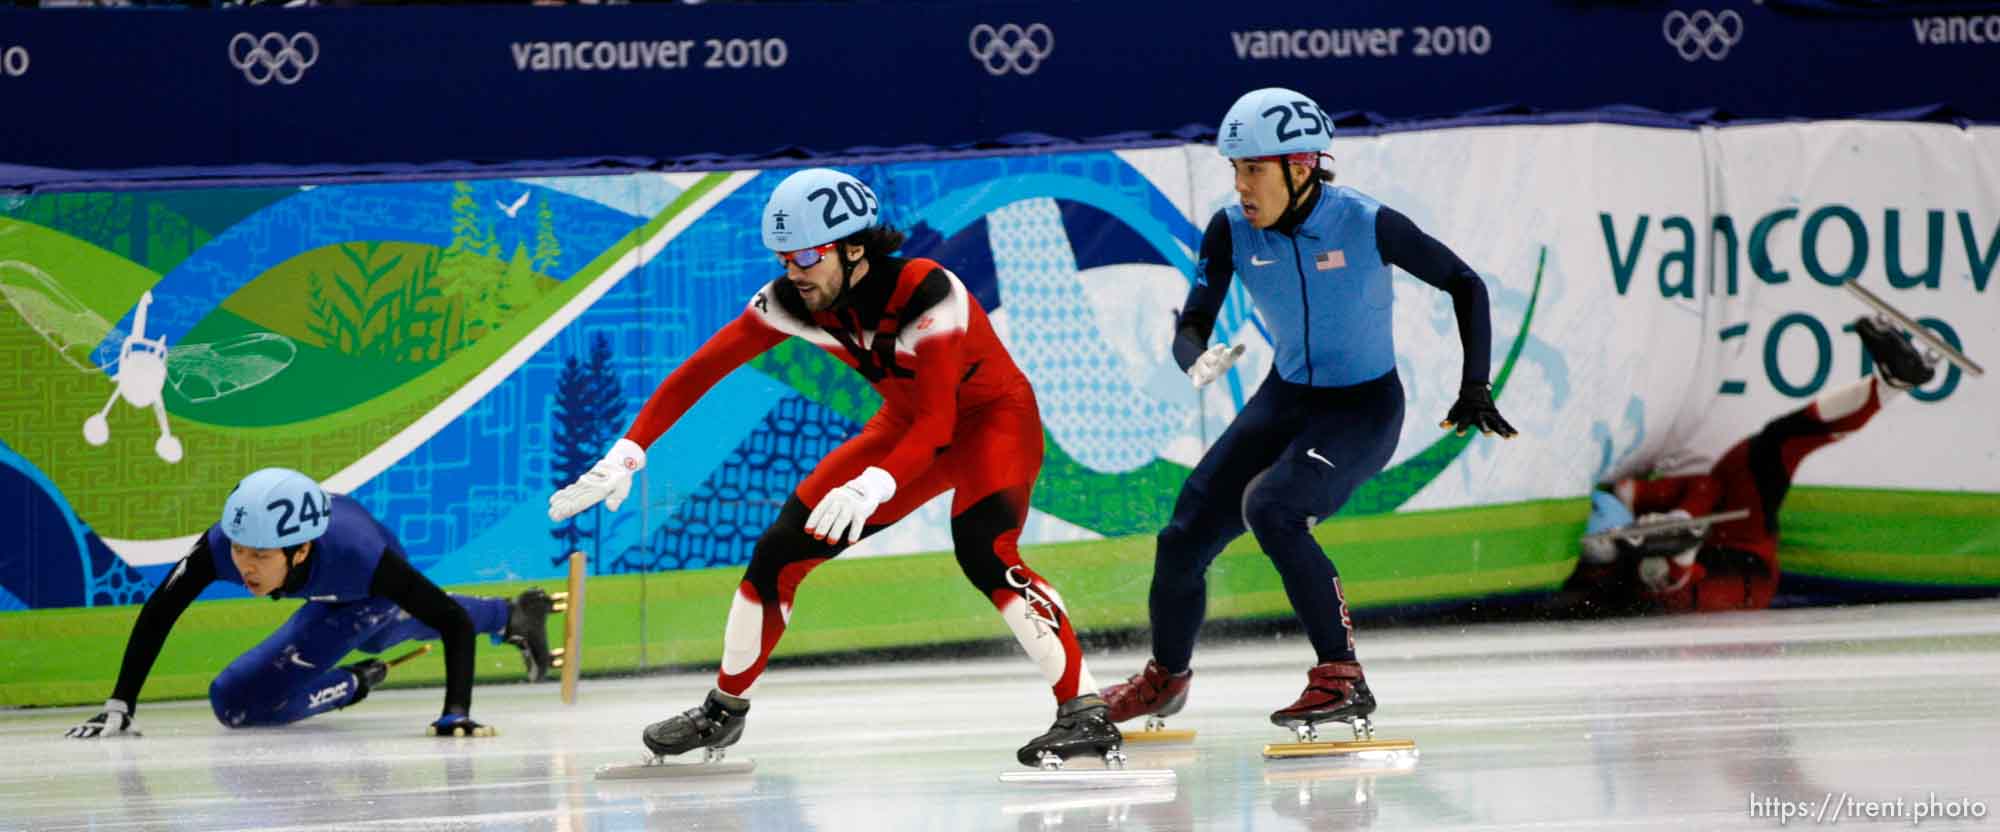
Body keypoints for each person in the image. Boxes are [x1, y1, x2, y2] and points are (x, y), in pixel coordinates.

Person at [548, 168, 1118, 768]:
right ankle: (723, 711)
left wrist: (874, 484)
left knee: (984, 550)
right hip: (905, 425)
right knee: (778, 552)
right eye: (784, 258)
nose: (794, 273)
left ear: (854, 248)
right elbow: (701, 370)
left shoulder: (928, 290)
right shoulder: (792, 300)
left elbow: (939, 422)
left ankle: (1086, 712)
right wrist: (630, 450)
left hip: (989, 423)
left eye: (806, 257)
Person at [1100, 87, 1515, 737]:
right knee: (1182, 539)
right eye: (1234, 169)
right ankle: (1167, 678)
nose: (1240, 186)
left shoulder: (1366, 222)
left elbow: (1466, 283)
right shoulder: (1230, 229)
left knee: (1273, 507)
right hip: (1284, 398)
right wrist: (1193, 358)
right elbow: (1194, 322)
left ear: (1301, 168)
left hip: (1363, 408)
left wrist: (1476, 387)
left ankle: (1341, 677)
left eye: (1254, 170)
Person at [64, 467, 554, 739]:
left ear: (301, 549)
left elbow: (447, 620)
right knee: (380, 634)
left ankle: (351, 682)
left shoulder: (362, 558)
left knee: (238, 703)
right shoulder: (221, 547)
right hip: (336, 592)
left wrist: (455, 713)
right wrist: (120, 703)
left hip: (367, 593)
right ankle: (513, 614)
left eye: (259, 555)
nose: (244, 566)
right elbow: (160, 611)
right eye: (238, 549)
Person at [1559, 318, 1938, 614]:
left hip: (1741, 541)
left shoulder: (1632, 497)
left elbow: (1706, 488)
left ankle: (1889, 384)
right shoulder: (1603, 569)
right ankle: (1676, 560)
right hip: (1731, 580)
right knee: (1654, 584)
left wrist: (1680, 518)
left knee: (1773, 444)